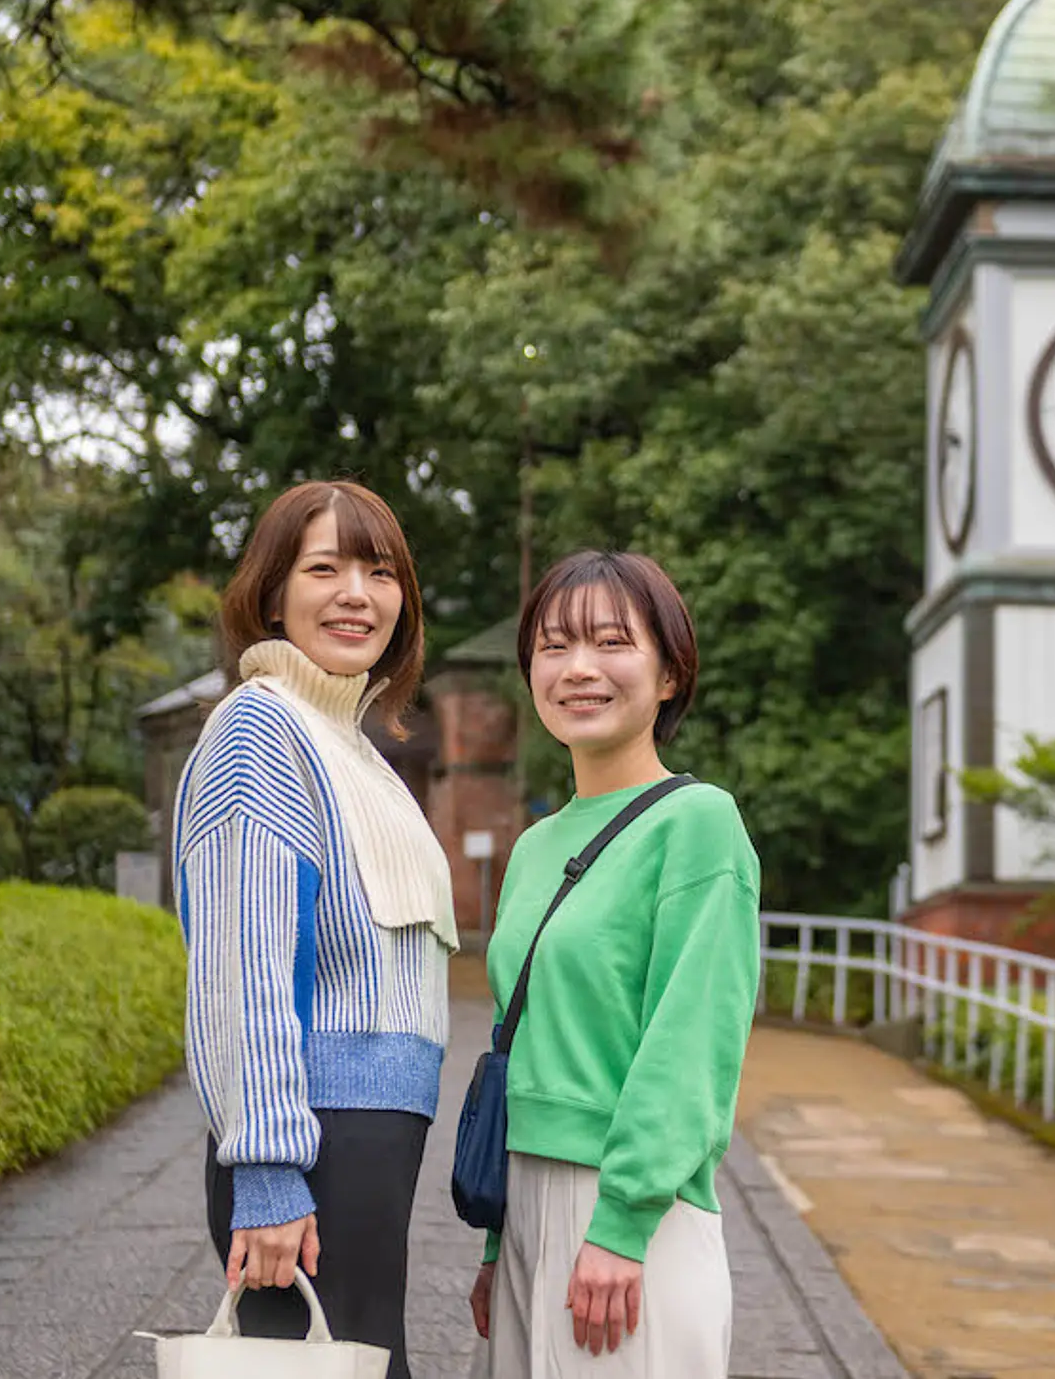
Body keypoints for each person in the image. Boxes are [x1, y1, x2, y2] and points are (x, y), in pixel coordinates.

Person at [171, 480, 459, 1379]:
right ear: (270, 593)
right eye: (323, 568)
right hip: (316, 1135)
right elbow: (244, 961)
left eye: (379, 572)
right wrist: (266, 1172)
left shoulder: (350, 742)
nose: (355, 594)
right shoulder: (262, 731)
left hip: (367, 1133)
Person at [469, 550, 761, 1377]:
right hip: (524, 1205)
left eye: (611, 643)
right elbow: (517, 1044)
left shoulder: (698, 825)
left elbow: (691, 1043)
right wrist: (499, 1234)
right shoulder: (533, 849)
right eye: (554, 646)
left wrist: (621, 1225)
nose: (579, 668)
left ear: (670, 674)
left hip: (631, 1218)